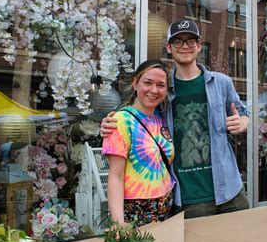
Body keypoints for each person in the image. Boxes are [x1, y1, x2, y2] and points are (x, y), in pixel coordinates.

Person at [101, 19, 249, 219]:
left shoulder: (221, 83)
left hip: (230, 189)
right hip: (190, 197)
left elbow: (243, 112)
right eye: (178, 41)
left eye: (190, 41)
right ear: (169, 47)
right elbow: (140, 117)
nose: (185, 46)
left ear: (198, 46)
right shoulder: (162, 88)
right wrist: (111, 123)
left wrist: (243, 123)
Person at [101, 59, 175, 227]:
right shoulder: (121, 120)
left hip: (165, 208)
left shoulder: (160, 117)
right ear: (135, 83)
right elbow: (115, 176)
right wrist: (119, 223)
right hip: (137, 212)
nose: (154, 90)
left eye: (161, 85)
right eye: (147, 83)